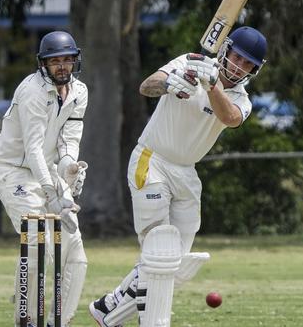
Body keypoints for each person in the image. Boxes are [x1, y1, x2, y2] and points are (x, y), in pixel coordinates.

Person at [88, 26, 267, 327]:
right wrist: (171, 82)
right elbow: (147, 86)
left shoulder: (241, 98)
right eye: (238, 57)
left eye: (249, 64)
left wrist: (212, 86)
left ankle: (109, 309)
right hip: (152, 159)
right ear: (226, 50)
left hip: (186, 173)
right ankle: (148, 321)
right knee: (159, 248)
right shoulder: (190, 62)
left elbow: (231, 118)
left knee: (176, 264)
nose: (240, 67)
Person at [0, 30, 89, 327]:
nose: (61, 66)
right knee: (36, 241)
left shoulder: (79, 91)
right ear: (43, 64)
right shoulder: (32, 91)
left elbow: (69, 138)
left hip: (47, 168)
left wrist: (70, 167)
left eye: (67, 60)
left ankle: (62, 320)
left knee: (74, 248)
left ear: (75, 61)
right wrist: (52, 194)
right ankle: (27, 318)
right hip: (14, 170)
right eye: (54, 61)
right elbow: (32, 147)